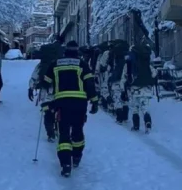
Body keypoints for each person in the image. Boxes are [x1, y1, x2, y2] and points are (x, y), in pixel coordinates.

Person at [42, 40, 98, 178]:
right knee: (78, 129)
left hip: (62, 102)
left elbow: (45, 82)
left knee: (64, 132)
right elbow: (90, 84)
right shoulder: (82, 64)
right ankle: (77, 156)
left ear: (65, 50)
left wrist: (46, 98)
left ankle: (66, 163)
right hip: (80, 103)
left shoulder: (55, 63)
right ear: (77, 51)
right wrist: (94, 101)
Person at [121, 42, 157, 132]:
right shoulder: (147, 63)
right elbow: (154, 73)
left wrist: (123, 89)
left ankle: (136, 125)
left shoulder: (129, 64)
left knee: (135, 108)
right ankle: (148, 123)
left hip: (134, 89)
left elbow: (124, 77)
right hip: (146, 87)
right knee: (145, 107)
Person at [108, 39, 129, 124]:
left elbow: (109, 66)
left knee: (117, 97)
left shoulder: (112, 53)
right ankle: (125, 116)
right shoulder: (127, 53)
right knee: (125, 97)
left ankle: (119, 117)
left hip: (116, 77)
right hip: (125, 78)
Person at [95, 42, 111, 110]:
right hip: (111, 73)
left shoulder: (103, 54)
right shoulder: (111, 52)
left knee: (104, 90)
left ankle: (108, 104)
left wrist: (96, 74)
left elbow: (100, 64)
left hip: (104, 74)